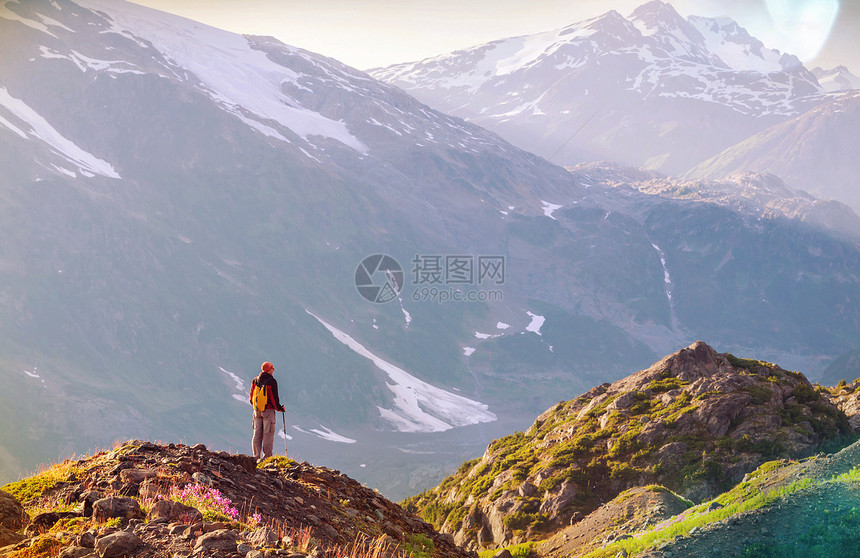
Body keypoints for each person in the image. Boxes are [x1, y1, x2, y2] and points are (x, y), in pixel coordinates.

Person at [250, 361, 286, 461]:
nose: (273, 370)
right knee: (268, 434)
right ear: (269, 369)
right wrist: (280, 408)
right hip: (268, 411)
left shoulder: (255, 380)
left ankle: (256, 458)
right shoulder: (271, 381)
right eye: (273, 368)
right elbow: (274, 398)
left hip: (256, 411)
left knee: (257, 434)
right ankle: (267, 459)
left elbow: (251, 397)